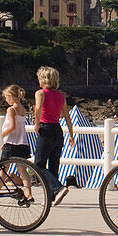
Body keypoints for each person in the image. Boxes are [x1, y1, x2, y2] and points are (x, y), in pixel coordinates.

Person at [33, 66, 75, 206]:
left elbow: (38, 109)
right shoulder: (60, 95)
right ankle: (51, 198)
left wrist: (36, 124)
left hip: (46, 129)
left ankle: (58, 188)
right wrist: (71, 134)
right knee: (53, 165)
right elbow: (67, 116)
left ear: (44, 80)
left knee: (38, 165)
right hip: (58, 130)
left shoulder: (41, 93)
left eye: (39, 78)